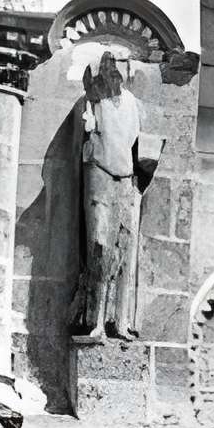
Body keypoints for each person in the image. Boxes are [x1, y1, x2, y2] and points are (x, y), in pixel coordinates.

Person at [72, 52, 143, 341]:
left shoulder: (131, 103)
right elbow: (88, 131)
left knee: (122, 249)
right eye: (111, 67)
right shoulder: (92, 100)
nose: (116, 73)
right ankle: (95, 319)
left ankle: (119, 321)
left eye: (119, 68)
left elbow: (135, 139)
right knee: (99, 246)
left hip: (124, 178)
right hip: (99, 174)